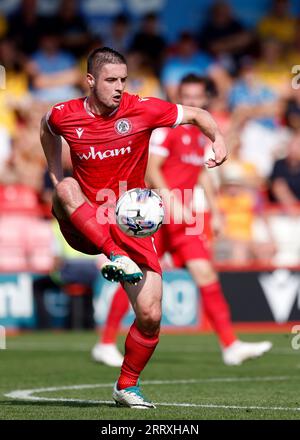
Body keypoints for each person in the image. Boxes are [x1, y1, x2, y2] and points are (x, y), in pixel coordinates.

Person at [40, 47, 227, 409]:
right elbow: (47, 126)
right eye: (111, 80)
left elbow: (198, 114)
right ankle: (115, 256)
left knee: (151, 315)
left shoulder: (143, 108)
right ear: (90, 81)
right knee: (64, 189)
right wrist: (54, 170)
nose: (119, 87)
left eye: (123, 80)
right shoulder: (66, 114)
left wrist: (217, 140)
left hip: (130, 223)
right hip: (84, 221)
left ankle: (126, 385)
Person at [93, 74, 272, 368]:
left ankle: (231, 345)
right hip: (158, 219)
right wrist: (170, 199)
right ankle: (105, 342)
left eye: (195, 98)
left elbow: (200, 172)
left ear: (204, 100)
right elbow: (152, 168)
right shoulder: (166, 130)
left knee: (205, 274)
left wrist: (213, 211)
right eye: (185, 97)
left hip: (185, 220)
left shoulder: (200, 134)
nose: (190, 102)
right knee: (136, 278)